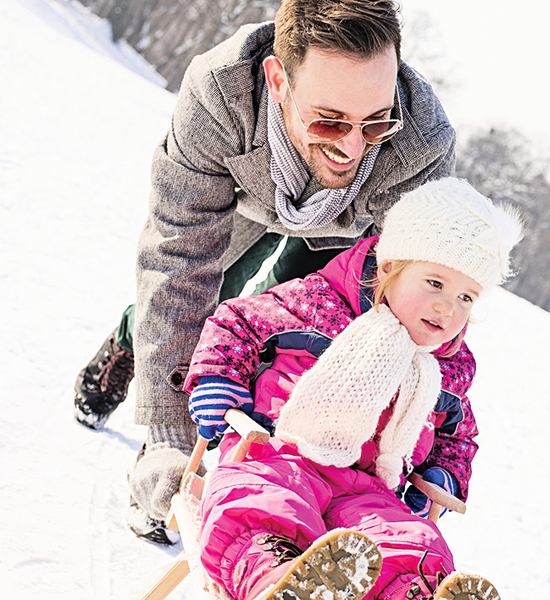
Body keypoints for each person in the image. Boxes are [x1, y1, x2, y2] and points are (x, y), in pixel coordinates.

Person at [71, 0, 455, 541]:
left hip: (344, 234)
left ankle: (247, 470)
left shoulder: (423, 146)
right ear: (278, 80)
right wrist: (169, 435)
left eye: (376, 122)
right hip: (241, 199)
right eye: (329, 119)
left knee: (282, 337)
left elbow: (409, 308)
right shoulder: (219, 93)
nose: (350, 147)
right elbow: (179, 259)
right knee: (211, 296)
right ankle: (129, 343)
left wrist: (420, 447)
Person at [184, 178, 521, 600]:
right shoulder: (319, 304)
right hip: (280, 451)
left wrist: (442, 474)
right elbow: (238, 321)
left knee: (412, 539)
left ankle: (411, 593)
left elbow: (459, 435)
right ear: (389, 269)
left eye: (467, 297)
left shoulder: (447, 366)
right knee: (263, 500)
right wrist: (219, 380)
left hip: (369, 486)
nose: (448, 307)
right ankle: (275, 576)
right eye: (435, 283)